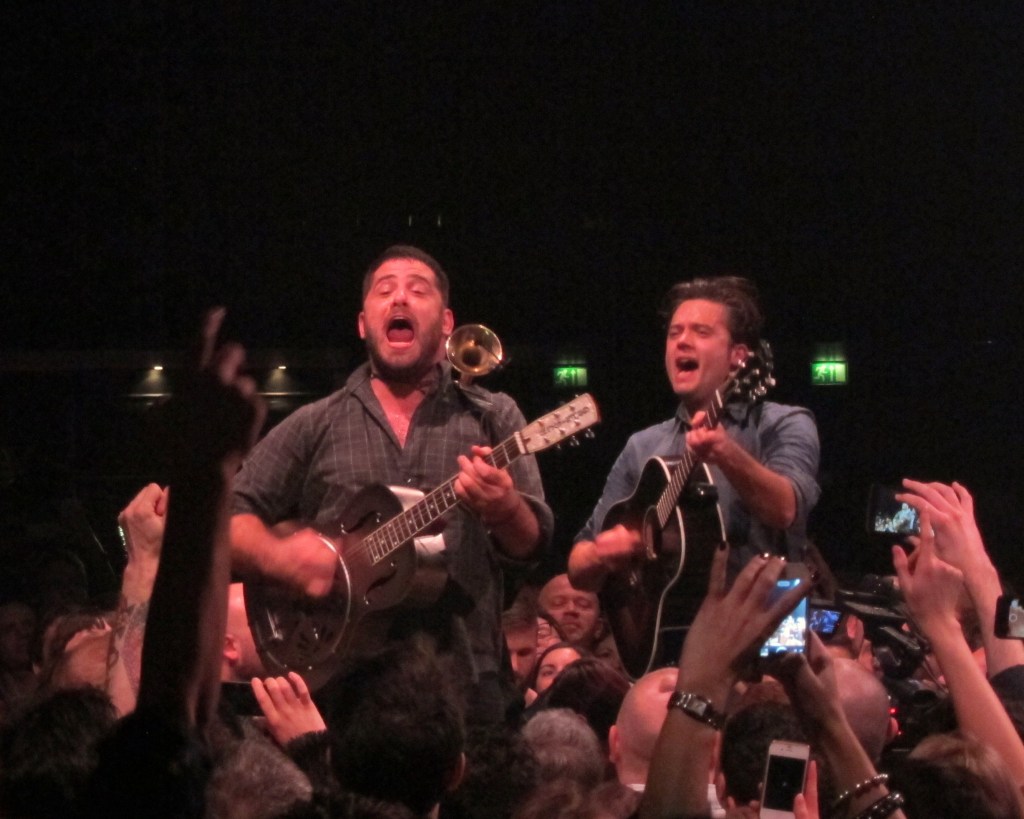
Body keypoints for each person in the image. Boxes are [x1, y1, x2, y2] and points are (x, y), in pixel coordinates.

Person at [230, 245, 553, 722]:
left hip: (465, 679)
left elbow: (533, 545)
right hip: (341, 680)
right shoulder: (315, 422)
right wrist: (278, 557)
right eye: (385, 290)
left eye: (417, 290)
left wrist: (505, 508)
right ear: (364, 324)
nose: (400, 299)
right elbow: (225, 514)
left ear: (446, 322)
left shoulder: (493, 414)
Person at [569, 276, 820, 595]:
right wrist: (601, 554)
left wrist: (725, 453)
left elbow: (785, 510)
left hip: (767, 629)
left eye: (701, 332)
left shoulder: (785, 423)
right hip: (668, 635)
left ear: (738, 356)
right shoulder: (642, 445)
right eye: (675, 333)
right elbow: (578, 567)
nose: (682, 341)